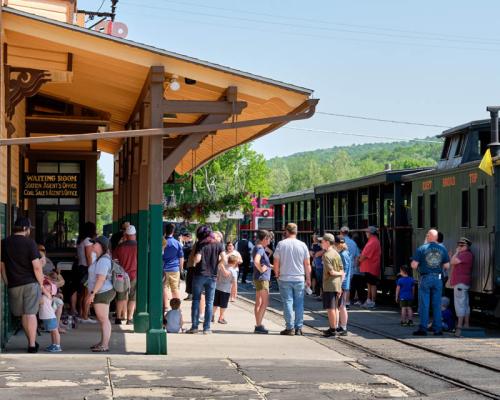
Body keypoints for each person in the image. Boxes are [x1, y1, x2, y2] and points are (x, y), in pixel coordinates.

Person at [0, 217, 45, 353]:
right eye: (29, 229)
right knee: (30, 314)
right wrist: (41, 283)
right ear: (25, 229)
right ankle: (31, 345)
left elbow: (2, 266)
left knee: (23, 315)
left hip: (14, 284)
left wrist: (8, 282)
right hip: (31, 283)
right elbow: (37, 267)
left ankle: (31, 342)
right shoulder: (30, 243)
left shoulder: (4, 243)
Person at [273, 223, 312, 336]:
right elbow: (307, 264)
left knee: (288, 302)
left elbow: (276, 261)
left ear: (286, 231)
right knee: (299, 304)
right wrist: (308, 278)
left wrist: (276, 273)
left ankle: (289, 327)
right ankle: (298, 328)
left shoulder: (281, 244)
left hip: (285, 277)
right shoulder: (303, 245)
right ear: (296, 231)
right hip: (299, 277)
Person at [187, 226, 226, 334]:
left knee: (196, 300)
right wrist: (217, 265)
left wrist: (194, 261)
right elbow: (225, 259)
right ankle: (207, 328)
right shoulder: (219, 244)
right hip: (212, 276)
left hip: (199, 274)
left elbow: (198, 258)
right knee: (209, 302)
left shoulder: (201, 244)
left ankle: (194, 327)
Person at [411, 229, 450, 336]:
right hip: (438, 279)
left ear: (428, 237)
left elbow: (414, 265)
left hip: (425, 278)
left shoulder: (421, 248)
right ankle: (438, 330)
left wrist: (420, 264)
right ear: (437, 237)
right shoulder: (442, 249)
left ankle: (423, 329)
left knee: (424, 304)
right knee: (437, 305)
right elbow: (447, 266)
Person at [86, 236, 116, 352]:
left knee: (103, 319)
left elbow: (101, 279)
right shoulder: (101, 258)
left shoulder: (103, 260)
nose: (93, 245)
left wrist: (92, 293)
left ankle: (105, 345)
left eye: (95, 243)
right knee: (103, 319)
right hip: (103, 291)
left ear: (101, 246)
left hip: (102, 291)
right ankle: (103, 342)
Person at [113, 224, 138, 325]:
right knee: (132, 297)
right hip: (134, 274)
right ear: (135, 235)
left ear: (126, 235)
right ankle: (129, 318)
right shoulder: (138, 246)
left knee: (120, 296)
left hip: (121, 275)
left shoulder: (120, 247)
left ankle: (118, 317)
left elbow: (114, 261)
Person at [72, 222, 97, 323]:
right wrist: (92, 269)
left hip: (81, 268)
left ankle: (81, 313)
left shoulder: (81, 241)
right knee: (87, 293)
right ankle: (85, 316)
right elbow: (88, 256)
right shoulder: (88, 241)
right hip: (87, 269)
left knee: (82, 293)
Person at [320, 234, 344, 337]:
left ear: (327, 242)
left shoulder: (326, 255)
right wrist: (340, 283)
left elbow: (331, 272)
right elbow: (341, 269)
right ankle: (333, 327)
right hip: (337, 284)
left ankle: (333, 329)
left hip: (329, 284)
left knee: (330, 308)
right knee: (335, 308)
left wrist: (339, 273)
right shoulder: (336, 253)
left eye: (322, 241)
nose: (321, 243)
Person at [449, 237, 473, 337]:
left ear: (467, 246)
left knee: (459, 304)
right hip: (462, 282)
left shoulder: (465, 254)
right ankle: (466, 325)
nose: (459, 247)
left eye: (462, 245)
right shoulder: (465, 254)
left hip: (460, 283)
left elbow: (452, 262)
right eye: (459, 245)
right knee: (465, 304)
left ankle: (459, 327)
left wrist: (455, 253)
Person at [252, 230, 272, 334]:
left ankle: (258, 324)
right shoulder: (260, 249)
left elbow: (262, 263)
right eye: (268, 240)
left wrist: (270, 267)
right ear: (265, 239)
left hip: (258, 278)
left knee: (259, 302)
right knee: (264, 302)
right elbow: (256, 261)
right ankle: (258, 325)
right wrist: (261, 269)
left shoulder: (257, 247)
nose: (269, 242)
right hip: (262, 278)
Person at [162, 223, 184, 311]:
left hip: (164, 268)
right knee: (175, 288)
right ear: (173, 231)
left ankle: (166, 306)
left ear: (165, 231)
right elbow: (181, 257)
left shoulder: (162, 242)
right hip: (174, 268)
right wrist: (181, 269)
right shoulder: (177, 243)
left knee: (165, 287)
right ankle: (177, 307)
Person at [213, 254, 239, 324]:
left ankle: (212, 316)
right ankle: (221, 318)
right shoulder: (233, 271)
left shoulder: (222, 267)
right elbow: (234, 283)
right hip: (226, 290)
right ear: (235, 262)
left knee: (215, 304)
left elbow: (217, 277)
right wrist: (235, 293)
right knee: (223, 305)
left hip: (217, 288)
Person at [359, 226, 381, 308]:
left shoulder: (373, 242)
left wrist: (359, 260)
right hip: (370, 266)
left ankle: (372, 301)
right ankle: (369, 300)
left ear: (370, 233)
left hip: (371, 266)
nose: (365, 233)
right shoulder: (373, 240)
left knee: (372, 284)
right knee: (370, 283)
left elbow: (365, 255)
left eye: (367, 232)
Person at [339, 226, 360, 306]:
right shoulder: (353, 243)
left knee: (340, 286)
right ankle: (346, 302)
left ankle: (341, 302)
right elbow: (357, 256)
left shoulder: (340, 241)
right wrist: (355, 266)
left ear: (341, 232)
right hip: (350, 267)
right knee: (347, 286)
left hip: (340, 267)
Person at [39, 278, 62, 352]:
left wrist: (41, 284)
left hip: (50, 317)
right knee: (52, 332)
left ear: (52, 291)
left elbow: (42, 288)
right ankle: (53, 344)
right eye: (45, 284)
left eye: (48, 285)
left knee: (55, 331)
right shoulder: (43, 296)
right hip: (47, 317)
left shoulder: (49, 295)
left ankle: (58, 346)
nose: (45, 285)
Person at [335, 235, 351, 336]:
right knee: (341, 306)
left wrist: (340, 285)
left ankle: (343, 327)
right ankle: (342, 326)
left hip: (342, 284)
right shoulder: (345, 253)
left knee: (341, 306)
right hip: (344, 283)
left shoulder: (342, 255)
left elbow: (343, 271)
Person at [180, 232, 194, 301]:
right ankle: (189, 295)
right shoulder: (189, 244)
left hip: (189, 266)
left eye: (184, 237)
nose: (183, 238)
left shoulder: (190, 245)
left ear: (188, 237)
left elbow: (182, 249)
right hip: (188, 265)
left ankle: (190, 295)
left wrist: (180, 242)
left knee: (189, 280)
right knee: (188, 280)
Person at [310, 234, 324, 298]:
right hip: (316, 265)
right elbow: (312, 254)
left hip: (320, 265)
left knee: (320, 280)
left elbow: (317, 254)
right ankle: (318, 293)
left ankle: (321, 294)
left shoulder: (321, 246)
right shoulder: (313, 245)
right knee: (318, 279)